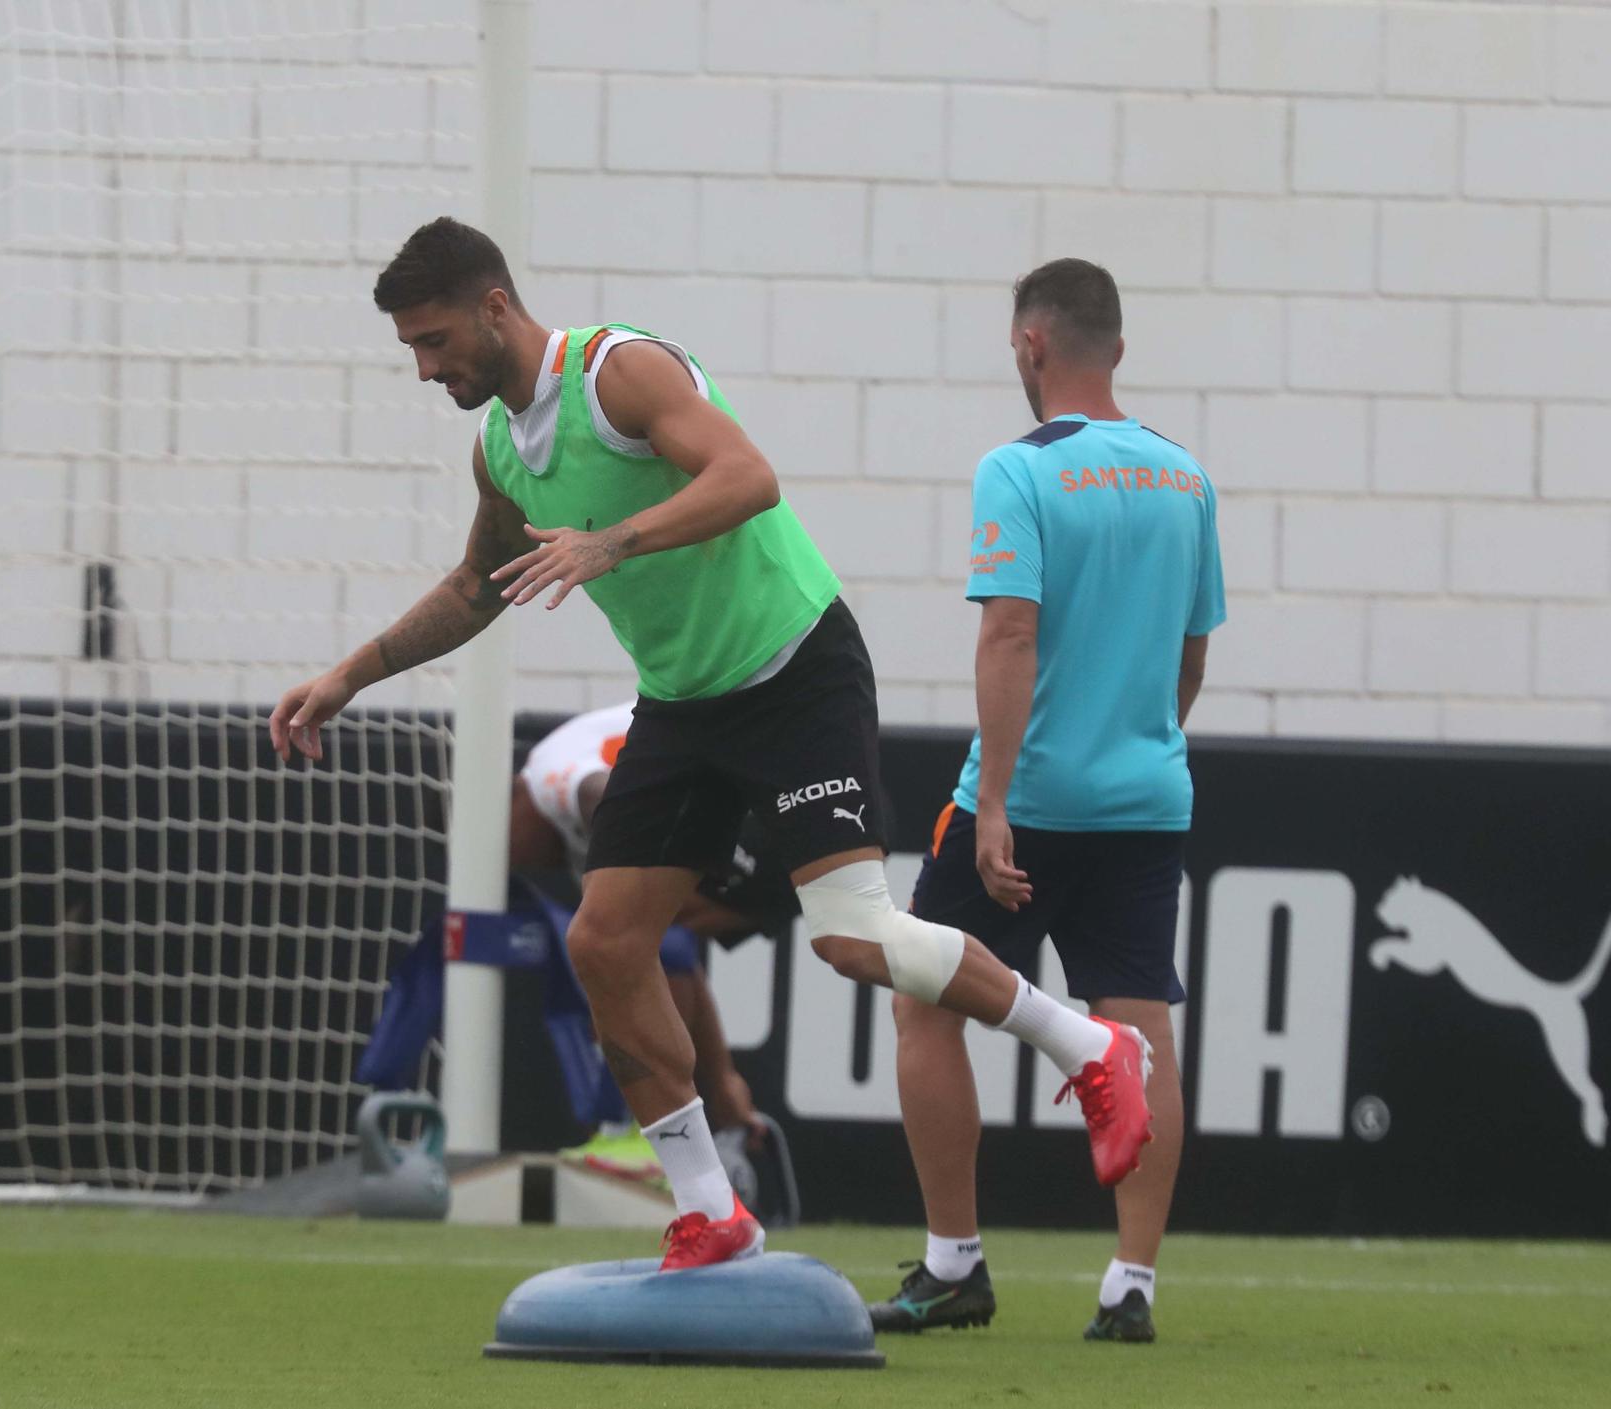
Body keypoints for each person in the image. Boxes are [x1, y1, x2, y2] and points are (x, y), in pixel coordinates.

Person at [271, 219, 1153, 1272]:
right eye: (409, 348)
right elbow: (474, 587)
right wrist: (345, 677)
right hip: (681, 704)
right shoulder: (502, 449)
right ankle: (708, 1209)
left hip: (793, 671)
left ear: (495, 308)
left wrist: (611, 540)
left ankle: (1091, 1046)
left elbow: (747, 476)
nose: (424, 367)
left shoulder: (617, 372)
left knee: (849, 935)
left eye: (433, 340)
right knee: (602, 940)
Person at [868, 259, 1225, 1343]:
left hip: (1027, 797)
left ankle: (952, 1264)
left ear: (1028, 346)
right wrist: (1142, 740)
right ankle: (1129, 1285)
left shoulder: (1015, 470)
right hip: (1145, 795)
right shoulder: (1184, 476)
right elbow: (1190, 650)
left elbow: (1008, 632)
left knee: (922, 995)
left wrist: (994, 806)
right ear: (1114, 348)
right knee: (1138, 1023)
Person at [513, 700, 785, 1189]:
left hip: (769, 782)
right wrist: (723, 1084)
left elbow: (601, 792)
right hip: (744, 787)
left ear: (513, 801)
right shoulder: (573, 841)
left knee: (640, 942)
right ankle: (683, 1124)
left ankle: (644, 1128)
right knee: (648, 944)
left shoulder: (550, 778)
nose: (512, 861)